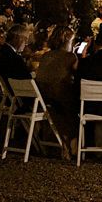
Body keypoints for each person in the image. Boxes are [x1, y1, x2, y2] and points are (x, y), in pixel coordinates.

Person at [36, 25, 79, 157]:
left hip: (43, 98)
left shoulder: (45, 56)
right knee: (80, 103)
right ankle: (73, 144)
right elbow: (78, 75)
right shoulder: (70, 57)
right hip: (61, 98)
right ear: (67, 41)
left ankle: (64, 143)